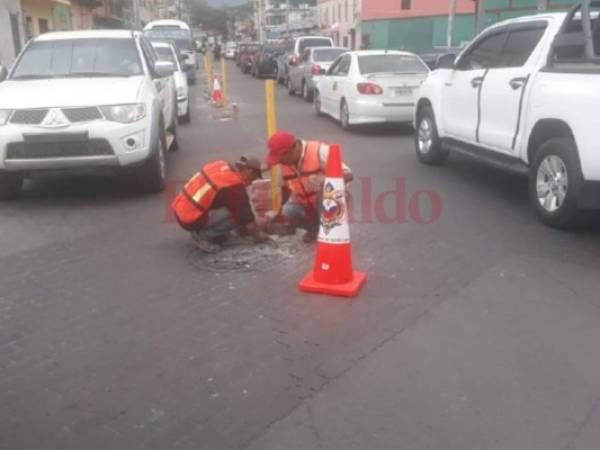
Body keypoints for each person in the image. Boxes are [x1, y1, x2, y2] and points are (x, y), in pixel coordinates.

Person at [265, 131, 353, 243]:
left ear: (294, 148)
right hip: (307, 204)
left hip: (330, 201)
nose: (280, 162)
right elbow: (285, 188)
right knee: (288, 210)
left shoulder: (319, 151)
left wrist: (324, 180)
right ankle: (314, 230)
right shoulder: (283, 164)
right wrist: (279, 213)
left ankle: (331, 234)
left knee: (326, 198)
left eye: (282, 158)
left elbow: (349, 175)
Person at [171, 155, 267, 253]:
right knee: (238, 214)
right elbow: (247, 219)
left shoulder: (220, 165)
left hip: (181, 208)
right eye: (253, 179)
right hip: (191, 219)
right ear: (249, 172)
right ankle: (204, 236)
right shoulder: (233, 184)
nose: (251, 183)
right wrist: (259, 237)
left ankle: (213, 231)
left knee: (234, 205)